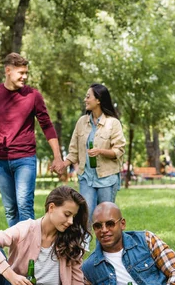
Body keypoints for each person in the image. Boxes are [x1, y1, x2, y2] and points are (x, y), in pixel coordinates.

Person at [0, 53, 65, 227]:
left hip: (25, 158)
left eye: (26, 73)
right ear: (8, 71)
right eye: (20, 73)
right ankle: (17, 249)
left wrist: (57, 156)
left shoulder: (33, 96)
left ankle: (28, 251)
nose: (24, 77)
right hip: (0, 160)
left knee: (24, 206)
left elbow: (47, 126)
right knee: (10, 209)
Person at [53, 84, 126, 229]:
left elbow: (119, 150)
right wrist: (63, 164)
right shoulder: (82, 122)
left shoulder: (113, 123)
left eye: (88, 97)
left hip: (107, 177)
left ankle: (104, 250)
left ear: (98, 100)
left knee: (105, 218)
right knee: (85, 217)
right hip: (87, 177)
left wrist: (100, 151)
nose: (85, 100)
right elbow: (74, 151)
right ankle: (82, 250)